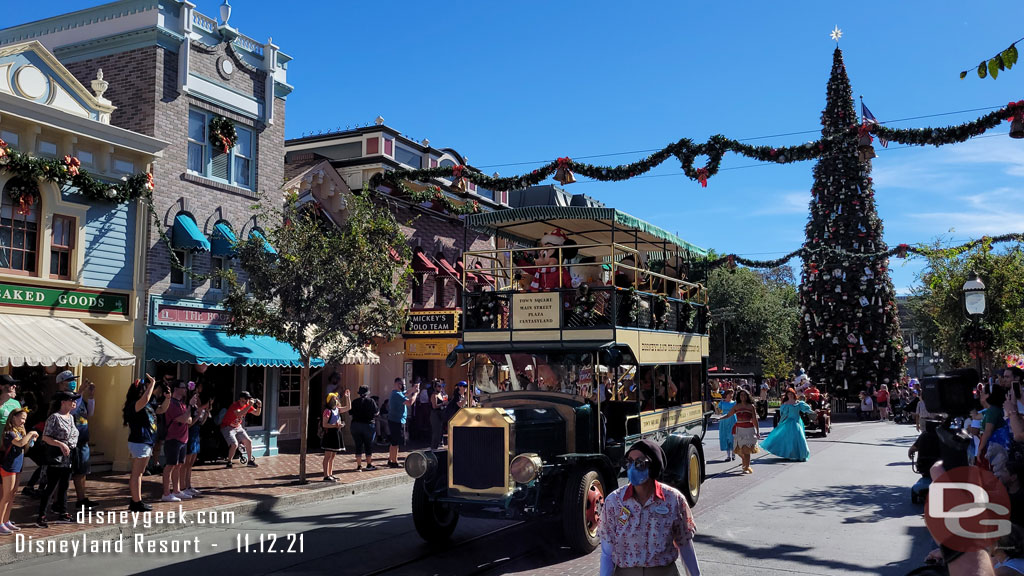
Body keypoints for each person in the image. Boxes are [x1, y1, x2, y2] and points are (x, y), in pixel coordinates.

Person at [598, 438, 700, 576]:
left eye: (640, 463)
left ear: (654, 466)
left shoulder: (673, 499)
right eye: (628, 462)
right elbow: (606, 553)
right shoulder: (614, 502)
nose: (632, 467)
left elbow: (685, 544)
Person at [38, 389, 81, 527]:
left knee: (64, 486)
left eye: (74, 400)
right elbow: (45, 437)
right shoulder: (54, 417)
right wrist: (60, 444)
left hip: (68, 458)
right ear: (63, 402)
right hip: (56, 457)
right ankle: (41, 515)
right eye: (71, 400)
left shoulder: (71, 417)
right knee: (51, 486)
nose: (74, 402)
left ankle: (63, 512)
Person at [55, 370, 97, 510]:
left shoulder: (77, 398)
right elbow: (69, 412)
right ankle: (57, 501)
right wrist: (80, 392)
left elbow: (88, 414)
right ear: (61, 383)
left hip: (83, 438)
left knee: (82, 471)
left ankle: (82, 498)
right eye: (69, 380)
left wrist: (91, 397)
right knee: (63, 473)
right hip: (69, 441)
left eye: (73, 379)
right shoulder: (61, 398)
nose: (72, 382)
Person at [123, 374, 158, 512]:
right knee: (137, 473)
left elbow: (160, 409)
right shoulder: (134, 405)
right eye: (143, 389)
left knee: (140, 472)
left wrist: (167, 398)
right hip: (139, 441)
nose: (145, 391)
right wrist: (152, 384)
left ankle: (136, 500)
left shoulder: (145, 406)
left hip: (145, 441)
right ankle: (136, 502)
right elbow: (146, 398)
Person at [0, 408, 37, 534]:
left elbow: (26, 446)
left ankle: (6, 520)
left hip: (18, 467)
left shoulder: (20, 432)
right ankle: (0, 522)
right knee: (6, 495)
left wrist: (31, 439)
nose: (23, 421)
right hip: (9, 467)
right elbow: (20, 443)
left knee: (12, 495)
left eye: (25, 419)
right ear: (13, 417)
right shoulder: (9, 433)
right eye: (21, 418)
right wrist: (30, 434)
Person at [160, 380, 193, 503]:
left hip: (183, 438)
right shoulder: (171, 404)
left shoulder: (181, 404)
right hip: (173, 438)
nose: (185, 390)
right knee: (170, 466)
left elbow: (189, 420)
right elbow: (184, 418)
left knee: (178, 465)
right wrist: (189, 408)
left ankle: (176, 490)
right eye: (183, 388)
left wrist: (186, 415)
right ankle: (166, 493)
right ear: (176, 389)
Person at [759, 388, 812, 462]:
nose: (790, 395)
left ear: (794, 394)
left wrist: (811, 411)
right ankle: (789, 454)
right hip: (789, 422)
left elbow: (806, 409)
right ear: (787, 395)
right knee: (788, 439)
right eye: (788, 394)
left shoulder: (798, 403)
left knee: (799, 438)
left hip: (797, 422)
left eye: (791, 394)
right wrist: (780, 422)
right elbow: (784, 415)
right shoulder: (786, 404)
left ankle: (802, 454)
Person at [182, 381, 211, 498]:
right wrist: (198, 414)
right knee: (186, 462)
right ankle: (184, 486)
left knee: (191, 462)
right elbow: (189, 424)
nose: (197, 396)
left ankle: (189, 485)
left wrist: (205, 413)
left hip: (196, 434)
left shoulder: (195, 407)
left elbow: (201, 423)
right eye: (195, 394)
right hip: (189, 434)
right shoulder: (188, 407)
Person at [220, 391, 262, 468]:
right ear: (240, 399)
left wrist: (259, 406)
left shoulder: (247, 405)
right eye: (245, 398)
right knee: (234, 444)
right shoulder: (235, 405)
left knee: (248, 441)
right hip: (227, 427)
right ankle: (229, 461)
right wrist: (249, 406)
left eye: (248, 399)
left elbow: (257, 413)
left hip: (237, 426)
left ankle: (250, 461)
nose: (246, 400)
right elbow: (239, 414)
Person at [723, 389, 760, 474]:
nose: (743, 397)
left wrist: (757, 431)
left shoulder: (751, 406)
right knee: (738, 450)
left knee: (747, 450)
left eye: (745, 395)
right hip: (739, 429)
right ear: (739, 397)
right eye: (741, 395)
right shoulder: (736, 406)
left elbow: (754, 419)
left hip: (748, 429)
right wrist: (720, 418)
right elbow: (729, 414)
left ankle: (746, 467)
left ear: (747, 396)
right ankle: (745, 463)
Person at [387, 377, 419, 469]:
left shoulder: (397, 393)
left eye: (404, 384)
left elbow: (406, 393)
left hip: (395, 420)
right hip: (396, 421)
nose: (403, 386)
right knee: (395, 442)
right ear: (397, 384)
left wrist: (413, 389)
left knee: (394, 441)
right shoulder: (396, 394)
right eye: (402, 384)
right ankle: (394, 461)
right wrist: (415, 394)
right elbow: (409, 402)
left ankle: (391, 459)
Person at [320, 391, 350, 482]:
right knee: (327, 456)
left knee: (333, 456)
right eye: (334, 398)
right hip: (330, 434)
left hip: (337, 433)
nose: (336, 399)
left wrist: (348, 397)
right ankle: (326, 475)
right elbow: (325, 424)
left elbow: (348, 407)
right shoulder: (327, 411)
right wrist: (335, 425)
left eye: (336, 398)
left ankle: (330, 473)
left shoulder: (337, 409)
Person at [349, 386, 378, 471]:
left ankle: (359, 466)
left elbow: (350, 413)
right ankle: (369, 464)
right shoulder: (371, 401)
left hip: (356, 425)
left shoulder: (354, 402)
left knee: (358, 445)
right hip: (368, 425)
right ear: (367, 393)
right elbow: (376, 412)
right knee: (368, 445)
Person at [717, 390, 736, 462]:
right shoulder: (722, 403)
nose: (731, 395)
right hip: (724, 421)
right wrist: (715, 408)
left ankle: (733, 454)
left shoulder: (734, 403)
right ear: (726, 394)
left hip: (732, 420)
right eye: (730, 394)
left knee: (732, 437)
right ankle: (728, 456)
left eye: (732, 394)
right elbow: (718, 412)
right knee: (725, 437)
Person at [429, 382, 446, 450]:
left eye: (441, 386)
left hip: (441, 414)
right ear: (435, 387)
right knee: (436, 432)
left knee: (440, 432)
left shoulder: (441, 394)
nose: (440, 387)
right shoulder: (434, 395)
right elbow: (434, 406)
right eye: (439, 386)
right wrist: (442, 404)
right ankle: (433, 448)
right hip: (435, 414)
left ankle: (437, 446)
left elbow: (445, 401)